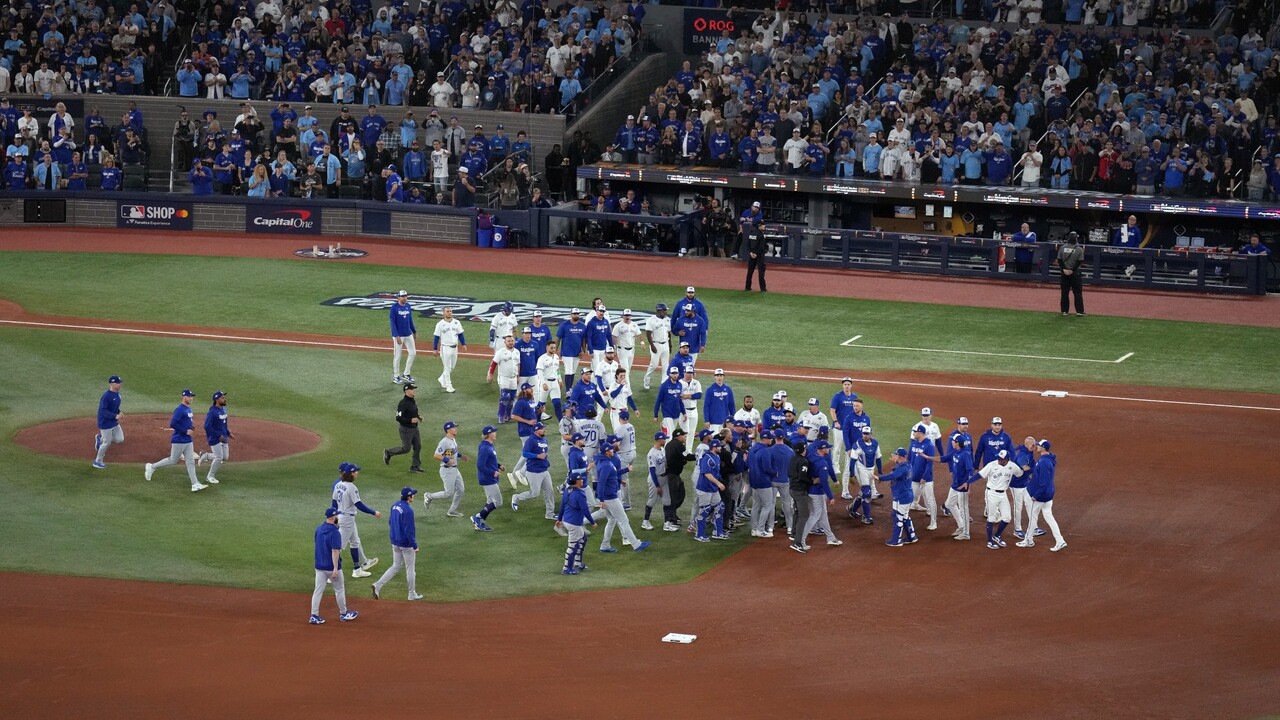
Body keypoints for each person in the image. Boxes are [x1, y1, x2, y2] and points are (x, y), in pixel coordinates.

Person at [144, 389, 208, 492]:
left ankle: (195, 484)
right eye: (189, 396)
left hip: (188, 440)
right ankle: (152, 467)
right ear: (184, 397)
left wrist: (191, 428)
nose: (191, 398)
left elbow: (185, 422)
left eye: (192, 396)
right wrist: (185, 431)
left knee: (190, 462)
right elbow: (173, 424)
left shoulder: (189, 409)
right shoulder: (179, 409)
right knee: (173, 460)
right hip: (179, 440)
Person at [597, 438, 651, 552]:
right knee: (623, 520)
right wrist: (601, 499)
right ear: (607, 452)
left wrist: (625, 470)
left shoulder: (605, 462)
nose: (613, 450)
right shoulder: (606, 464)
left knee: (612, 519)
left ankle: (604, 545)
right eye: (611, 449)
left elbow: (612, 475)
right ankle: (636, 545)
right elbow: (601, 482)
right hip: (610, 497)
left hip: (607, 496)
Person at [371, 486, 423, 601]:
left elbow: (390, 522)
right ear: (409, 497)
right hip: (405, 544)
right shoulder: (408, 510)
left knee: (396, 566)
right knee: (410, 569)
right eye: (412, 495)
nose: (413, 496)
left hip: (394, 541)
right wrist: (415, 546)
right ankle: (412, 593)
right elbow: (409, 531)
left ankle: (378, 585)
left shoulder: (394, 506)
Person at [311, 507, 359, 624]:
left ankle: (314, 615)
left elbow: (317, 545)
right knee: (339, 589)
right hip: (330, 567)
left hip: (319, 566)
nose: (338, 517)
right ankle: (344, 613)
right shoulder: (335, 533)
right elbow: (335, 551)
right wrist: (335, 568)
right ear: (333, 517)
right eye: (337, 515)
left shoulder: (319, 529)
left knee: (318, 591)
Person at [331, 464, 381, 578]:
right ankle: (331, 571)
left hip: (342, 517)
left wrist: (334, 516)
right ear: (351, 473)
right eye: (356, 472)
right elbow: (359, 505)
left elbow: (333, 503)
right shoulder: (351, 487)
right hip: (347, 519)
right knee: (337, 547)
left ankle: (357, 570)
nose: (357, 473)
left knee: (355, 542)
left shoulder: (338, 485)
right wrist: (374, 512)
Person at [1019, 439, 1067, 552]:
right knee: (1049, 517)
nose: (1037, 446)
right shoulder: (1047, 458)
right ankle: (1060, 541)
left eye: (1039, 445)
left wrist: (1036, 495)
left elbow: (1043, 482)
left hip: (1041, 496)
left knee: (1033, 518)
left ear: (1044, 448)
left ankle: (1028, 540)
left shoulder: (1044, 462)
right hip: (1048, 494)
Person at [978, 449, 1023, 550]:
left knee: (1007, 518)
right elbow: (979, 475)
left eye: (1001, 459)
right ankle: (989, 541)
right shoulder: (992, 465)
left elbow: (1020, 474)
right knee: (992, 518)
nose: (999, 460)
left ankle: (997, 535)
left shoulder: (1012, 466)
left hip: (1003, 494)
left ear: (1006, 459)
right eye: (998, 457)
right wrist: (968, 482)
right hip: (992, 494)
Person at [875, 447, 920, 547]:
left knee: (897, 517)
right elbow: (897, 472)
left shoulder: (902, 468)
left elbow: (893, 475)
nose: (893, 456)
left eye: (895, 455)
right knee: (905, 516)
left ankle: (896, 540)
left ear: (900, 457)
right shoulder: (907, 464)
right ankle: (911, 536)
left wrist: (879, 478)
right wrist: (896, 462)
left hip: (901, 496)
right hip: (907, 495)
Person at [800, 440, 842, 547]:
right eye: (827, 448)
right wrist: (830, 496)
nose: (828, 449)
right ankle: (801, 539)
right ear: (822, 449)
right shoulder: (822, 463)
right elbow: (824, 481)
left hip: (809, 489)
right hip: (817, 493)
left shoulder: (811, 457)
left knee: (823, 515)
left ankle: (831, 537)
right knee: (815, 515)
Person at [512, 422, 557, 520]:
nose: (544, 430)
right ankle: (517, 497)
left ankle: (549, 513)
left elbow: (543, 452)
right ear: (536, 430)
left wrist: (544, 457)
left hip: (544, 470)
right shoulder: (531, 440)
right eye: (542, 429)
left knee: (549, 491)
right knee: (534, 493)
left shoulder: (545, 440)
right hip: (533, 472)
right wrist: (537, 456)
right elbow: (524, 453)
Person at [556, 469, 596, 575]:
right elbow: (585, 510)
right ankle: (566, 568)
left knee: (583, 539)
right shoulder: (580, 494)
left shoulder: (567, 490)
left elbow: (562, 506)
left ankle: (577, 563)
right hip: (574, 523)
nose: (582, 481)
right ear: (576, 482)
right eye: (580, 480)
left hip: (567, 520)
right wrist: (592, 522)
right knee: (572, 546)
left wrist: (559, 519)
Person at [424, 421, 467, 517]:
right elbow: (436, 455)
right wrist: (447, 460)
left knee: (460, 490)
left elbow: (451, 452)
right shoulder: (444, 442)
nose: (456, 429)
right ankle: (429, 496)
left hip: (455, 469)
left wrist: (461, 456)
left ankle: (452, 510)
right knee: (448, 493)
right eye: (454, 427)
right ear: (448, 430)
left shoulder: (452, 440)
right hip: (447, 470)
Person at [939, 435, 976, 540]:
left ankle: (966, 533)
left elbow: (970, 471)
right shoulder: (955, 452)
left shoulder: (965, 454)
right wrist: (927, 457)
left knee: (964, 509)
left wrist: (969, 486)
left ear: (958, 443)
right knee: (949, 504)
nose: (952, 442)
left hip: (963, 486)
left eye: (953, 441)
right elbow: (943, 459)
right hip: (955, 485)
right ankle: (961, 526)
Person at [693, 438, 728, 542]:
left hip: (712, 488)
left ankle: (717, 532)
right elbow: (707, 473)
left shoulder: (716, 456)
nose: (721, 447)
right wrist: (718, 483)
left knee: (720, 506)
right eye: (719, 446)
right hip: (705, 488)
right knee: (704, 510)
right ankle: (699, 534)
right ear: (714, 447)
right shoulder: (707, 458)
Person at [470, 425, 505, 532]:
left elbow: (490, 461)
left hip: (489, 478)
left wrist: (498, 466)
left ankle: (479, 521)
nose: (495, 433)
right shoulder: (485, 447)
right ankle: (478, 517)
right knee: (498, 502)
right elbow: (480, 465)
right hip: (487, 479)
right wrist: (493, 472)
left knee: (490, 501)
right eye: (494, 432)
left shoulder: (489, 445)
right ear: (489, 434)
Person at [383, 382, 423, 472]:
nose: (414, 391)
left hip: (414, 428)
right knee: (406, 449)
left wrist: (418, 417)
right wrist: (410, 420)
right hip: (406, 429)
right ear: (406, 391)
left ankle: (415, 466)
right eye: (412, 389)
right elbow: (398, 418)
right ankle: (389, 452)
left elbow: (412, 413)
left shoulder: (412, 400)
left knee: (418, 446)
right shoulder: (403, 403)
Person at [196, 390, 232, 485]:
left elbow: (224, 425)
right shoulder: (212, 412)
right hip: (214, 438)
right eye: (222, 398)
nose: (224, 399)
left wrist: (228, 433)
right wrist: (217, 435)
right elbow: (207, 426)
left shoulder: (223, 410)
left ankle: (206, 455)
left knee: (225, 457)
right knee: (219, 457)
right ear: (217, 400)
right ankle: (210, 476)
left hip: (223, 437)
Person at [1012, 436, 1045, 541]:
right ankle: (1017, 529)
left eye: (1035, 444)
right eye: (1033, 445)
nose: (1035, 446)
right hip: (1016, 485)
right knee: (1018, 506)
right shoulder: (1022, 455)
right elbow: (1026, 469)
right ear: (1026, 445)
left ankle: (1034, 527)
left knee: (1030, 503)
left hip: (1025, 483)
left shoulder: (1028, 451)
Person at [746, 430, 777, 537]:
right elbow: (767, 468)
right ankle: (760, 529)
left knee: (756, 506)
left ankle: (754, 529)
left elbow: (747, 464)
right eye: (770, 438)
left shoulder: (753, 448)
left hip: (753, 481)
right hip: (764, 482)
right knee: (767, 505)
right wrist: (775, 472)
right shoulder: (765, 451)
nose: (772, 439)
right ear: (766, 439)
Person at [662, 428, 694, 531]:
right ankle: (671, 519)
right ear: (678, 436)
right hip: (672, 475)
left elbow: (677, 458)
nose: (685, 437)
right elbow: (687, 457)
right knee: (674, 496)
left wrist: (682, 461)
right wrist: (699, 455)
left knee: (680, 493)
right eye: (683, 436)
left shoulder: (670, 444)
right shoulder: (679, 445)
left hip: (673, 474)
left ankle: (672, 514)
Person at [847, 426, 880, 524]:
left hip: (870, 470)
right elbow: (852, 461)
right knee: (867, 492)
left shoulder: (875, 444)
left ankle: (851, 508)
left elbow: (878, 457)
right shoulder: (857, 445)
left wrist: (880, 470)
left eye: (867, 434)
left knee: (864, 491)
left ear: (871, 434)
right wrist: (852, 475)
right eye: (863, 433)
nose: (865, 435)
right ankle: (866, 517)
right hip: (860, 469)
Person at [431, 306, 466, 393]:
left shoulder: (457, 322)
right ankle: (448, 386)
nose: (449, 312)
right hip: (445, 348)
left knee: (452, 367)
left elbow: (460, 334)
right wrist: (435, 349)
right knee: (447, 367)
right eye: (447, 311)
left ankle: (442, 379)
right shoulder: (440, 324)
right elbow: (436, 337)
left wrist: (463, 344)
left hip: (455, 348)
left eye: (450, 311)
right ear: (443, 313)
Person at [92, 375, 125, 469]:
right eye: (117, 383)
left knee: (120, 439)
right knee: (107, 443)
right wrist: (115, 416)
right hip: (105, 423)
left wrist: (119, 412)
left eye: (120, 382)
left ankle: (100, 439)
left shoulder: (117, 394)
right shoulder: (106, 396)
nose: (119, 384)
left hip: (113, 422)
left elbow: (114, 406)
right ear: (112, 384)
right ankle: (97, 461)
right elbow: (103, 410)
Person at [786, 438, 812, 553]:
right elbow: (803, 476)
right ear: (802, 450)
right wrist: (812, 481)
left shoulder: (792, 459)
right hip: (799, 491)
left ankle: (794, 533)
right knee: (804, 515)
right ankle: (797, 542)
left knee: (797, 512)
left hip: (792, 489)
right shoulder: (803, 461)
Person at [487, 334, 520, 424]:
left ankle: (508, 416)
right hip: (504, 378)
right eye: (509, 341)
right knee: (505, 397)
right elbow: (493, 364)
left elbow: (518, 365)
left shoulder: (517, 352)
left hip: (513, 378)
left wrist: (518, 376)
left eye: (512, 341)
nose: (510, 342)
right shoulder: (500, 352)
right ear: (505, 342)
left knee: (512, 398)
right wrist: (490, 375)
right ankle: (501, 416)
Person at [641, 303, 671, 391]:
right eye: (664, 310)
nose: (666, 312)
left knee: (666, 365)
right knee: (654, 365)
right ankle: (646, 380)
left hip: (665, 344)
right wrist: (652, 345)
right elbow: (648, 333)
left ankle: (664, 383)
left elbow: (668, 332)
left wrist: (670, 344)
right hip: (656, 344)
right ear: (659, 311)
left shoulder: (667, 319)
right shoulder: (651, 320)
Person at [643, 432, 668, 531]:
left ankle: (667, 523)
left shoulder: (662, 449)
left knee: (667, 500)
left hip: (663, 477)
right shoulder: (651, 454)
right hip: (655, 479)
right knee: (652, 500)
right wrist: (657, 486)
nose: (665, 440)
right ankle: (645, 521)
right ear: (659, 440)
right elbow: (652, 471)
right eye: (664, 439)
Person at [1057, 231, 1086, 316]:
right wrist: (1072, 270)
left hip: (1064, 273)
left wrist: (1064, 269)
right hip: (1075, 273)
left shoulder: (1062, 248)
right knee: (1077, 292)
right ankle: (1079, 311)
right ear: (1076, 238)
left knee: (1064, 292)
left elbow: (1059, 260)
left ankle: (1064, 311)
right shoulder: (1079, 249)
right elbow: (1079, 261)